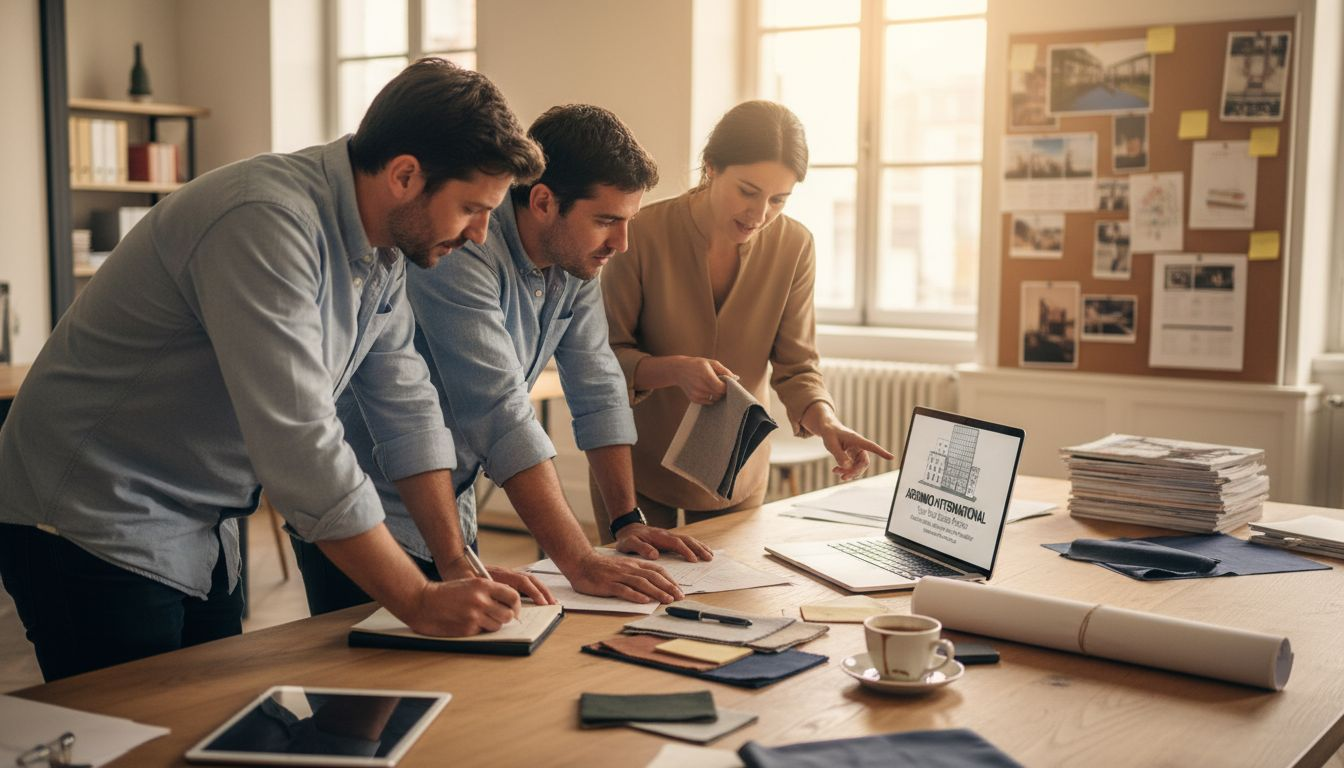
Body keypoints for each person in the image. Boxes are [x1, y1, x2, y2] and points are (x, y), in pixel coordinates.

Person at [0, 59, 546, 682]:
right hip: (92, 514)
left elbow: (408, 408)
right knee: (137, 732)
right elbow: (299, 441)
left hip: (200, 520)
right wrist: (416, 600)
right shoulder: (263, 219)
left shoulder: (384, 248)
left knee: (207, 720)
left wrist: (451, 560)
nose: (480, 235)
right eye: (473, 209)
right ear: (404, 175)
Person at [293, 105, 713, 616]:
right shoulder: (463, 249)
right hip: (367, 505)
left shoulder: (576, 260)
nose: (620, 245)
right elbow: (498, 410)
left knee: (456, 677)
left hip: (451, 498)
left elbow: (598, 381)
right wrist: (578, 561)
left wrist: (626, 520)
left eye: (628, 222)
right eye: (606, 221)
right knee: (366, 683)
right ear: (542, 201)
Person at [593, 100, 893, 539]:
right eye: (748, 191)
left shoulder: (795, 246)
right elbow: (603, 360)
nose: (760, 214)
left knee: (731, 601)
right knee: (633, 602)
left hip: (737, 468)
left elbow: (797, 367)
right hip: (635, 463)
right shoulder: (639, 233)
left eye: (778, 200)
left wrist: (827, 421)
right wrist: (674, 370)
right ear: (711, 167)